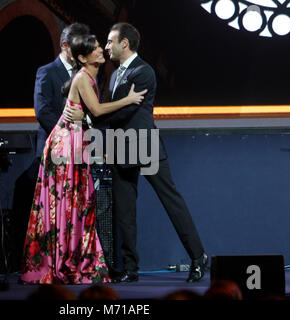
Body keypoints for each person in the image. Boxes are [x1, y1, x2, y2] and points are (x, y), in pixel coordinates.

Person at [20, 34, 147, 284]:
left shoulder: (89, 77)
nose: (102, 51)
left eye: (101, 47)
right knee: (66, 205)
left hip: (75, 143)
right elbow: (98, 111)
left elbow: (90, 114)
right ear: (82, 57)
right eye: (96, 49)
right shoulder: (82, 78)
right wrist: (129, 100)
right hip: (64, 147)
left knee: (77, 203)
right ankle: (60, 263)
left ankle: (72, 260)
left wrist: (84, 119)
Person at [101, 22, 208, 283]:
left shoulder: (144, 71)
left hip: (144, 145)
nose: (106, 47)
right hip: (118, 145)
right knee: (124, 212)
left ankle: (198, 257)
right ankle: (130, 268)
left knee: (171, 202)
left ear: (124, 43)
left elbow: (124, 111)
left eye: (109, 41)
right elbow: (114, 108)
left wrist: (97, 112)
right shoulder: (114, 75)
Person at [12, 23, 89, 271]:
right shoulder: (47, 72)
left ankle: (70, 261)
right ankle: (35, 263)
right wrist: (65, 135)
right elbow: (42, 110)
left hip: (79, 153)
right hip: (53, 151)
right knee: (45, 208)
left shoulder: (85, 74)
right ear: (64, 45)